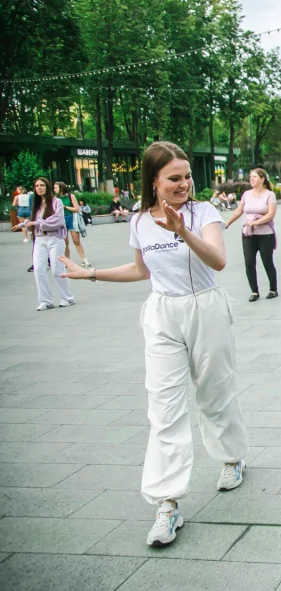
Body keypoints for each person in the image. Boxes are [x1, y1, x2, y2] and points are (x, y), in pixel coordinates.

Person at [58, 141, 249, 548]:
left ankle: (231, 457)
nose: (184, 184)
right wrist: (88, 274)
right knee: (163, 406)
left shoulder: (204, 213)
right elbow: (139, 270)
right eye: (174, 178)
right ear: (154, 182)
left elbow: (217, 260)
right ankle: (167, 504)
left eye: (187, 177)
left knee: (214, 392)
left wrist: (183, 231)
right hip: (162, 313)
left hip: (206, 308)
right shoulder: (140, 220)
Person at [225, 168, 278, 302]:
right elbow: (239, 211)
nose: (251, 179)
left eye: (254, 176)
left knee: (267, 262)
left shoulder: (269, 195)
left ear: (262, 179)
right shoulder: (246, 194)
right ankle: (254, 291)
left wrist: (256, 222)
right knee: (249, 262)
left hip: (265, 234)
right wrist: (228, 222)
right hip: (248, 233)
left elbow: (271, 214)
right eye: (250, 177)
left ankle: (273, 289)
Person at [24, 178, 74, 310]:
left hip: (55, 239)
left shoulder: (56, 202)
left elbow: (57, 220)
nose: (39, 188)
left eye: (42, 185)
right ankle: (46, 301)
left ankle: (67, 298)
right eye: (37, 186)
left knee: (57, 270)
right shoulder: (37, 204)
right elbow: (33, 221)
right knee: (39, 269)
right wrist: (25, 224)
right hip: (40, 240)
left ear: (47, 187)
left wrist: (37, 223)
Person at [55, 182, 91, 267]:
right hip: (61, 220)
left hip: (72, 219)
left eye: (56, 188)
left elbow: (77, 209)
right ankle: (67, 261)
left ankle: (84, 259)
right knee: (65, 242)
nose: (54, 189)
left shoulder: (70, 196)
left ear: (61, 188)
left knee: (76, 241)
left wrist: (65, 207)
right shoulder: (55, 198)